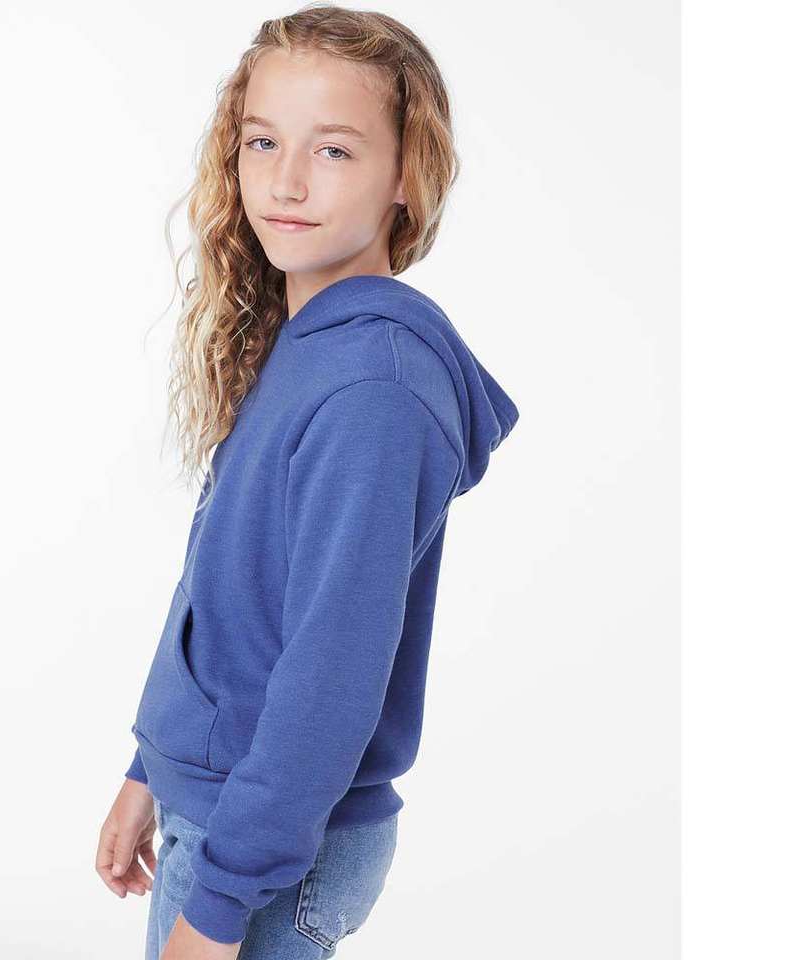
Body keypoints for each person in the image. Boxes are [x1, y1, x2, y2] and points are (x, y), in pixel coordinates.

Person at [95, 5, 520, 958]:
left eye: (333, 150)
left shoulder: (372, 389)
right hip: (229, 814)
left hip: (267, 849)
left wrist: (218, 907)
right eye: (263, 141)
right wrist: (150, 770)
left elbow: (327, 679)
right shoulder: (308, 346)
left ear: (407, 175)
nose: (285, 182)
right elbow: (229, 589)